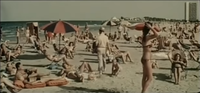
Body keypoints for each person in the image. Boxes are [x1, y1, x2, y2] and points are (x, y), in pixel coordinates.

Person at [127, 22, 159, 93]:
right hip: (147, 59)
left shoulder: (144, 36)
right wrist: (151, 27)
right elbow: (157, 34)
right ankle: (143, 91)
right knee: (150, 78)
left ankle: (143, 90)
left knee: (144, 76)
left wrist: (150, 27)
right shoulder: (147, 37)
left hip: (144, 58)